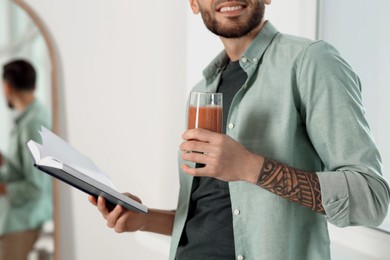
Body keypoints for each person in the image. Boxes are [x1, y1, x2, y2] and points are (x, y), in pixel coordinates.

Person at [90, 1, 390, 259]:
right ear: (194, 4)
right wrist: (144, 219)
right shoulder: (203, 90)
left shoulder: (311, 62)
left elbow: (371, 200)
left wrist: (250, 167)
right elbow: (214, 216)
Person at [0, 59, 53, 260]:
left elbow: (36, 186)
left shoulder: (33, 122)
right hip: (20, 222)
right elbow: (22, 171)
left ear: (7, 86)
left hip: (23, 224)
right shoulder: (29, 119)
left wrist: (3, 189)